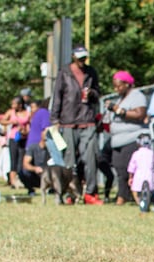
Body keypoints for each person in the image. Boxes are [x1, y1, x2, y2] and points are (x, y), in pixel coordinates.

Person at [50, 45, 103, 205]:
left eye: (84, 58)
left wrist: (92, 93)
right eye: (79, 57)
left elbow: (98, 93)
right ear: (73, 56)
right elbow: (57, 96)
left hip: (87, 121)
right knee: (69, 161)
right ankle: (70, 193)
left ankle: (91, 193)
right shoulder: (64, 73)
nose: (82, 61)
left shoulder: (91, 72)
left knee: (91, 158)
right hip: (68, 122)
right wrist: (55, 120)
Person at [106, 70, 148, 205]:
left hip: (131, 138)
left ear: (127, 84)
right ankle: (123, 195)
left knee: (126, 169)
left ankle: (124, 196)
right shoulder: (120, 98)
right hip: (117, 140)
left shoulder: (137, 96)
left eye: (118, 86)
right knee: (118, 168)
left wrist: (119, 111)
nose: (116, 89)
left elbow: (140, 114)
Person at [0, 96, 30, 188]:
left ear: (20, 105)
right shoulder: (11, 112)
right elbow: (2, 121)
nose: (12, 106)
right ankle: (13, 182)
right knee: (13, 159)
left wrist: (25, 131)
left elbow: (29, 125)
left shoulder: (27, 113)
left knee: (21, 160)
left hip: (23, 138)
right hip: (13, 138)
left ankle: (21, 179)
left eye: (14, 104)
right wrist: (11, 122)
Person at [127, 133, 154, 210]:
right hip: (152, 176)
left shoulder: (136, 154)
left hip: (138, 177)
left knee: (135, 190)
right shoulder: (153, 153)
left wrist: (130, 177)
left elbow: (131, 167)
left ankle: (140, 203)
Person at [20, 130, 49, 196]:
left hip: (47, 175)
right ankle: (31, 190)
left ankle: (51, 189)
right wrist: (35, 168)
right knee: (23, 172)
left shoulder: (52, 149)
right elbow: (25, 163)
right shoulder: (33, 147)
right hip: (36, 175)